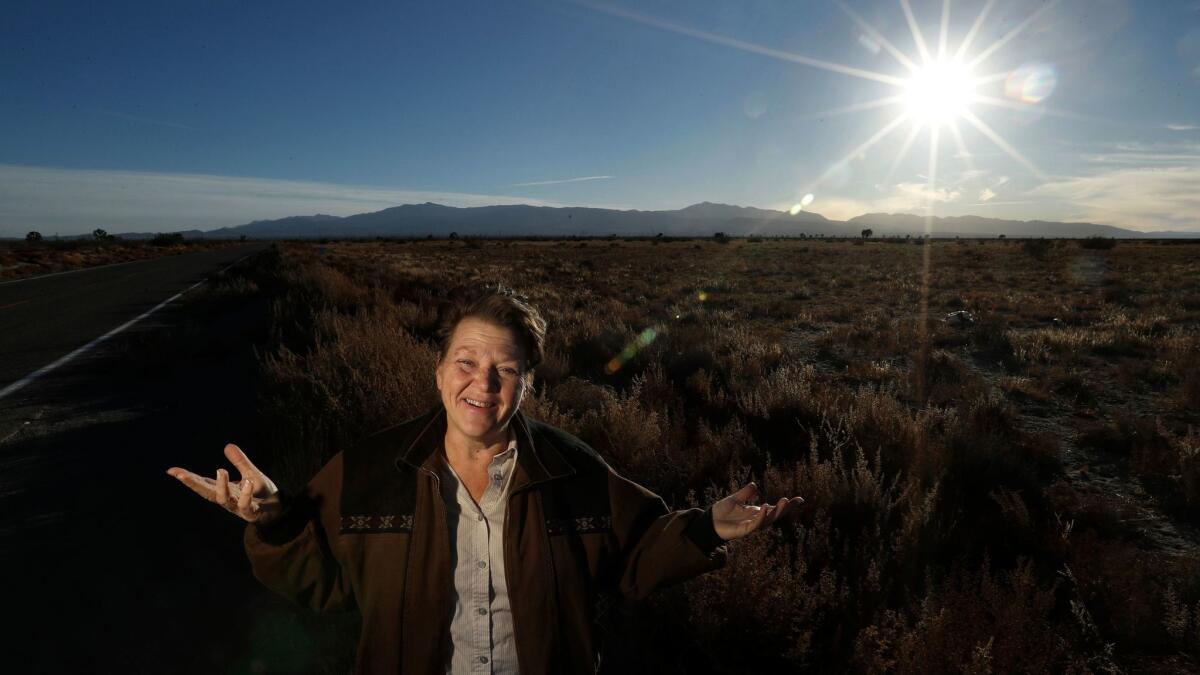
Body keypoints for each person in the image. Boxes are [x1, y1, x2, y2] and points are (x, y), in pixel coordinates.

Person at [167, 286, 803, 675]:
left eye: (506, 369)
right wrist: (271, 522)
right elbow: (323, 583)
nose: (484, 383)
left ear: (526, 384)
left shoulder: (571, 468)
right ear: (439, 371)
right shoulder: (368, 469)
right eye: (466, 362)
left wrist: (706, 528)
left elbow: (634, 552)